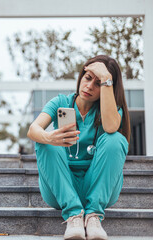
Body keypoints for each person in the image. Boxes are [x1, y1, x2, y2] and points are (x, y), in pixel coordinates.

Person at [27, 55, 130, 240]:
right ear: (81, 77)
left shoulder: (112, 110)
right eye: (88, 78)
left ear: (109, 87)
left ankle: (93, 216)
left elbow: (110, 128)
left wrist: (107, 79)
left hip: (99, 187)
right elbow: (33, 129)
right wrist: (49, 137)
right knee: (45, 141)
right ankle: (74, 215)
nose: (89, 86)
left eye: (99, 83)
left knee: (116, 139)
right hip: (61, 187)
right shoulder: (60, 102)